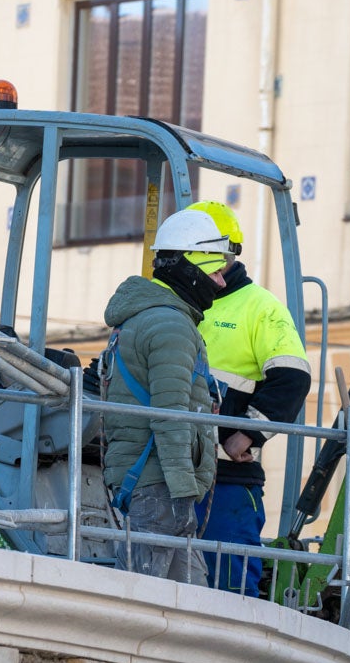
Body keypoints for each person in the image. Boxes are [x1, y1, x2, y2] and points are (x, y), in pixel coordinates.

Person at [100, 208, 231, 586]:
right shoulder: (170, 324)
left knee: (190, 608)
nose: (221, 283)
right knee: (145, 600)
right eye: (216, 271)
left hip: (156, 483)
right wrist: (184, 490)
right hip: (160, 486)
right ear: (190, 268)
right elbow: (171, 413)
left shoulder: (151, 317)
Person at [187, 200, 311, 597]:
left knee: (230, 593)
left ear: (226, 255)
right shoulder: (175, 305)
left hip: (226, 480)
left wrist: (248, 433)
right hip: (166, 474)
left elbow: (292, 378)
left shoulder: (260, 308)